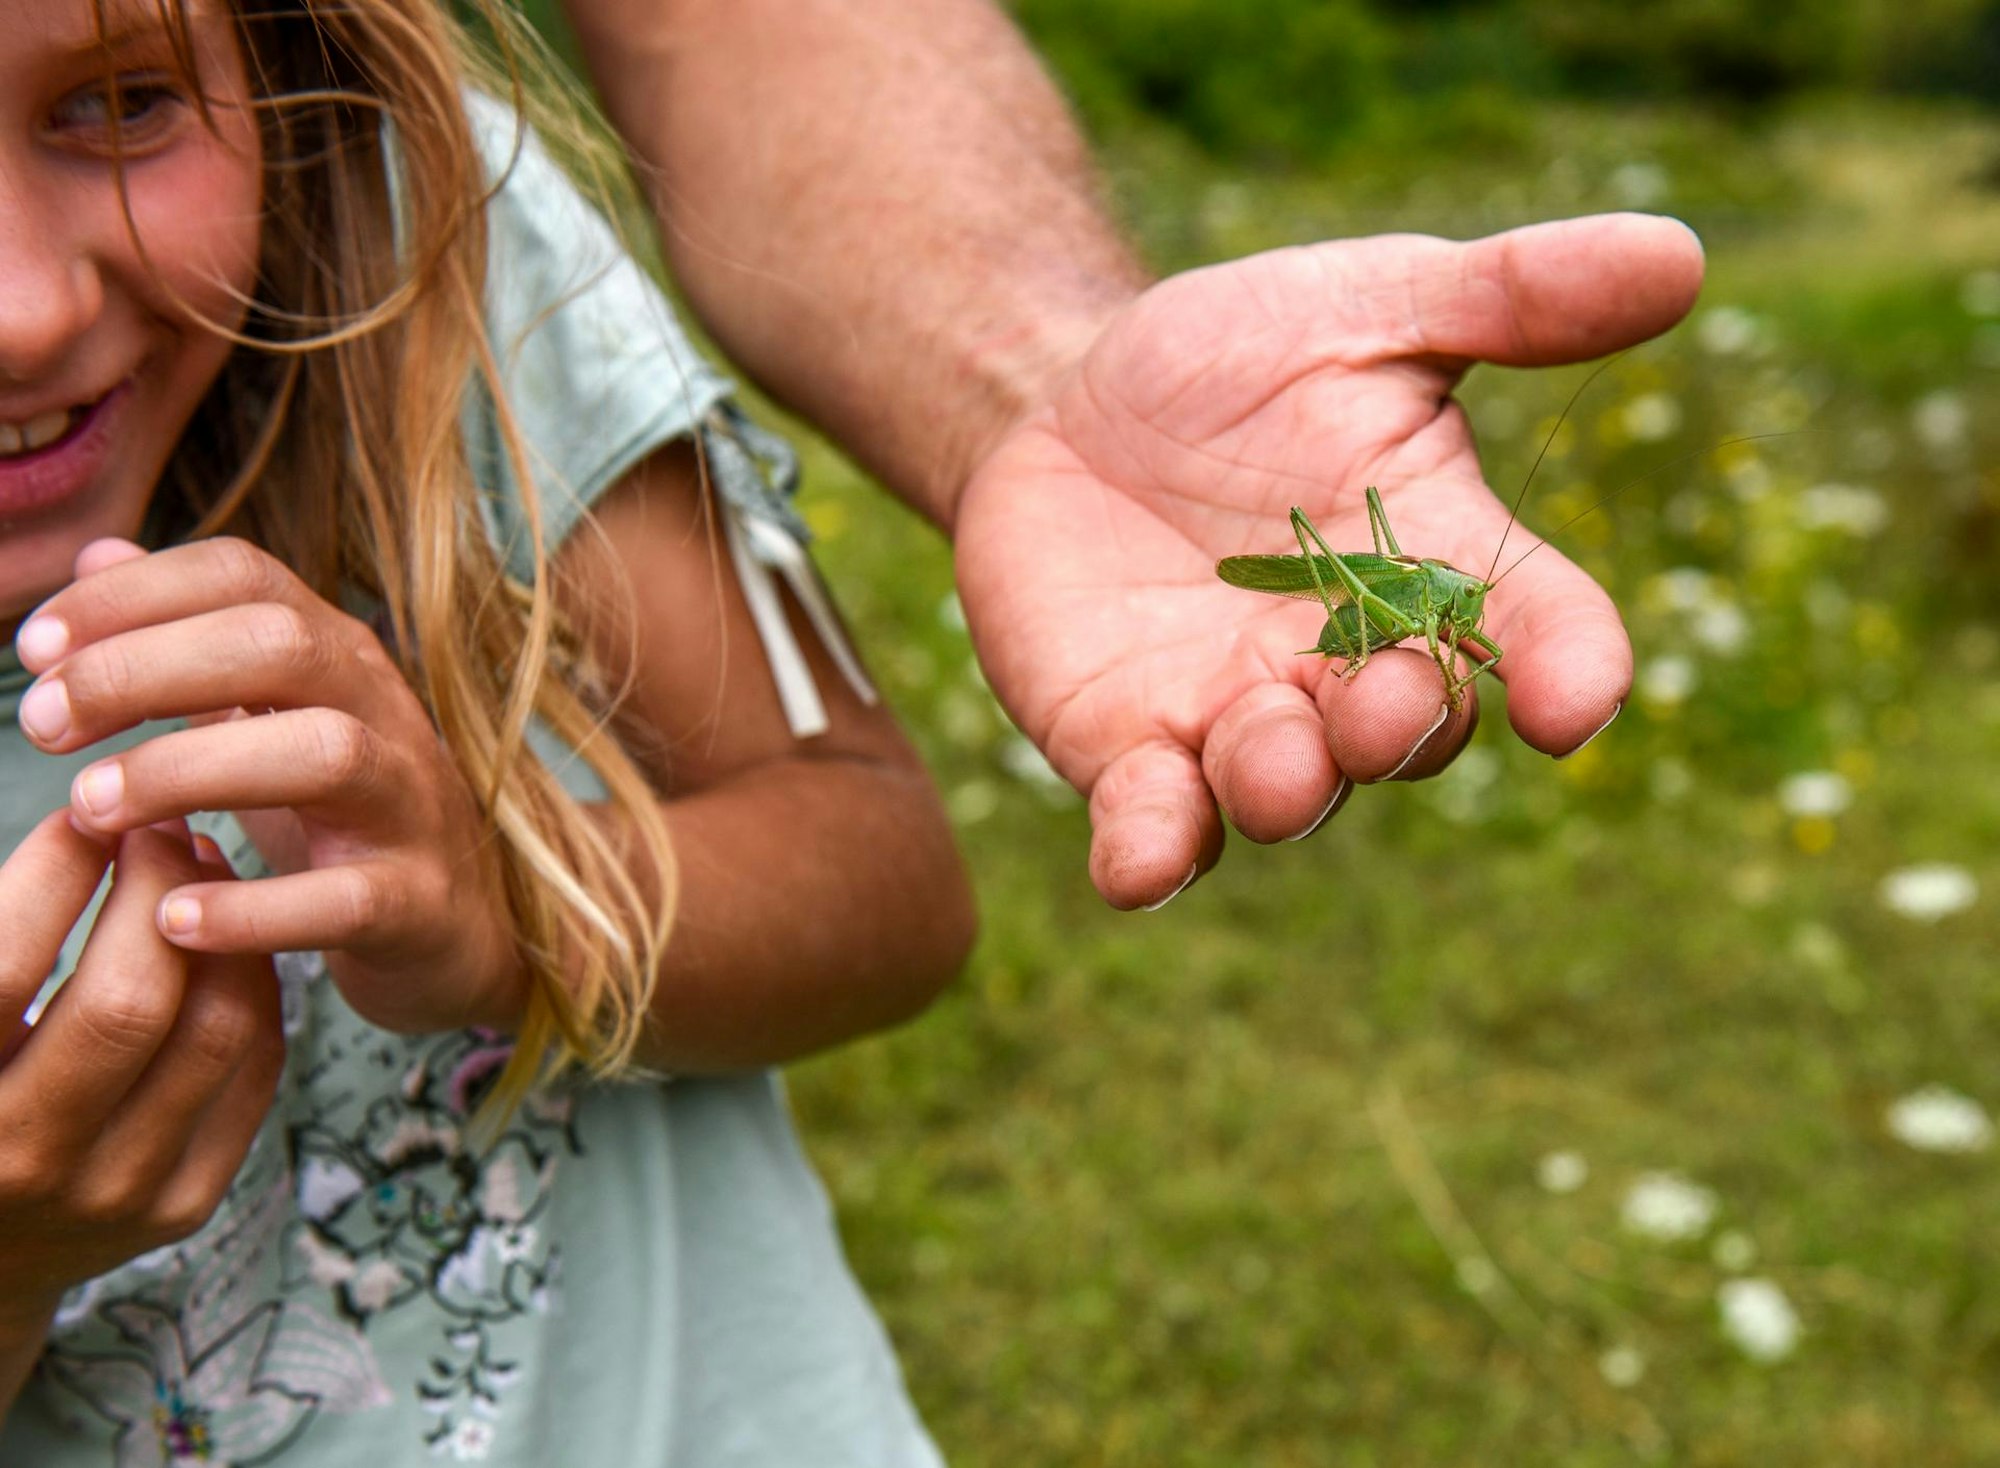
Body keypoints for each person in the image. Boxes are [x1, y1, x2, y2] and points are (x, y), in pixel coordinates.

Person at [0, 1, 973, 1461]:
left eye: (123, 102)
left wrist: (512, 907)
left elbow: (888, 870)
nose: (27, 310)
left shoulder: (415, 218)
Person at [556, 0, 1707, 909]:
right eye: (1462, 609)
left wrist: (1056, 378)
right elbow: (1424, 623)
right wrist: (1402, 632)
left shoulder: (1455, 608)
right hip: (1360, 604)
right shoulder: (1422, 604)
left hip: (1367, 612)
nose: (1466, 607)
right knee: (1369, 586)